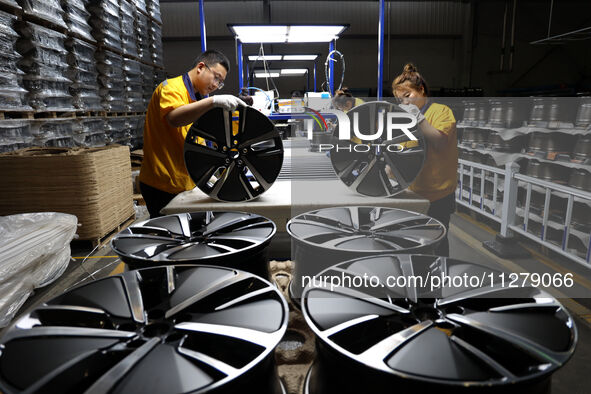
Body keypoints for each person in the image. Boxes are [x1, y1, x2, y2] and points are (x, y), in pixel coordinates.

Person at [139, 50, 246, 218]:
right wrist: (212, 101)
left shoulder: (196, 98)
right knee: (170, 237)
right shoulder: (171, 88)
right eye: (216, 77)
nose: (216, 85)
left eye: (220, 83)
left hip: (184, 182)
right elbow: (175, 118)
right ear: (201, 67)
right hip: (162, 184)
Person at [392, 63, 458, 256]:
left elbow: (440, 142)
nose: (405, 103)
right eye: (400, 100)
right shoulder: (406, 119)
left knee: (436, 241)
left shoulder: (441, 111)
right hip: (413, 192)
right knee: (413, 241)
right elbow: (402, 151)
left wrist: (419, 119)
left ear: (421, 90)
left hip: (438, 193)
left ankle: (439, 279)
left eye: (408, 96)